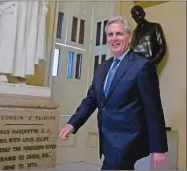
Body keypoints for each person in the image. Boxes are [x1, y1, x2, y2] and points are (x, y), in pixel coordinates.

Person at [59, 16, 168, 170]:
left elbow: (153, 109)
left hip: (127, 141)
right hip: (107, 141)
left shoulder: (142, 66)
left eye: (119, 34)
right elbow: (91, 100)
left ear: (129, 37)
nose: (114, 38)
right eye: (110, 34)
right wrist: (72, 124)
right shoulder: (102, 68)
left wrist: (158, 148)